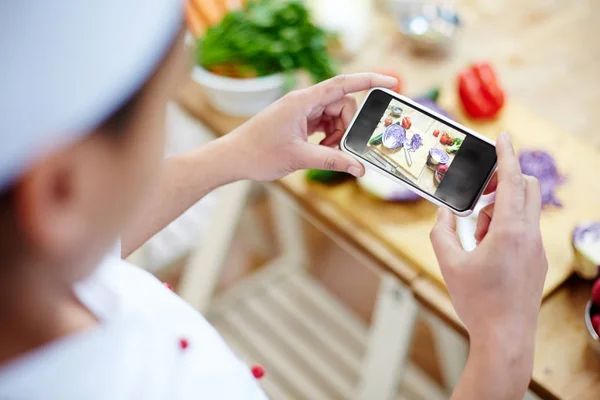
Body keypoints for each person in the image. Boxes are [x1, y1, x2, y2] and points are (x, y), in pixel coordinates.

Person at [0, 1, 547, 399]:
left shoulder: (29, 274)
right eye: (158, 109)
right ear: (59, 191)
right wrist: (504, 343)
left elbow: (96, 250)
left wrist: (235, 152)